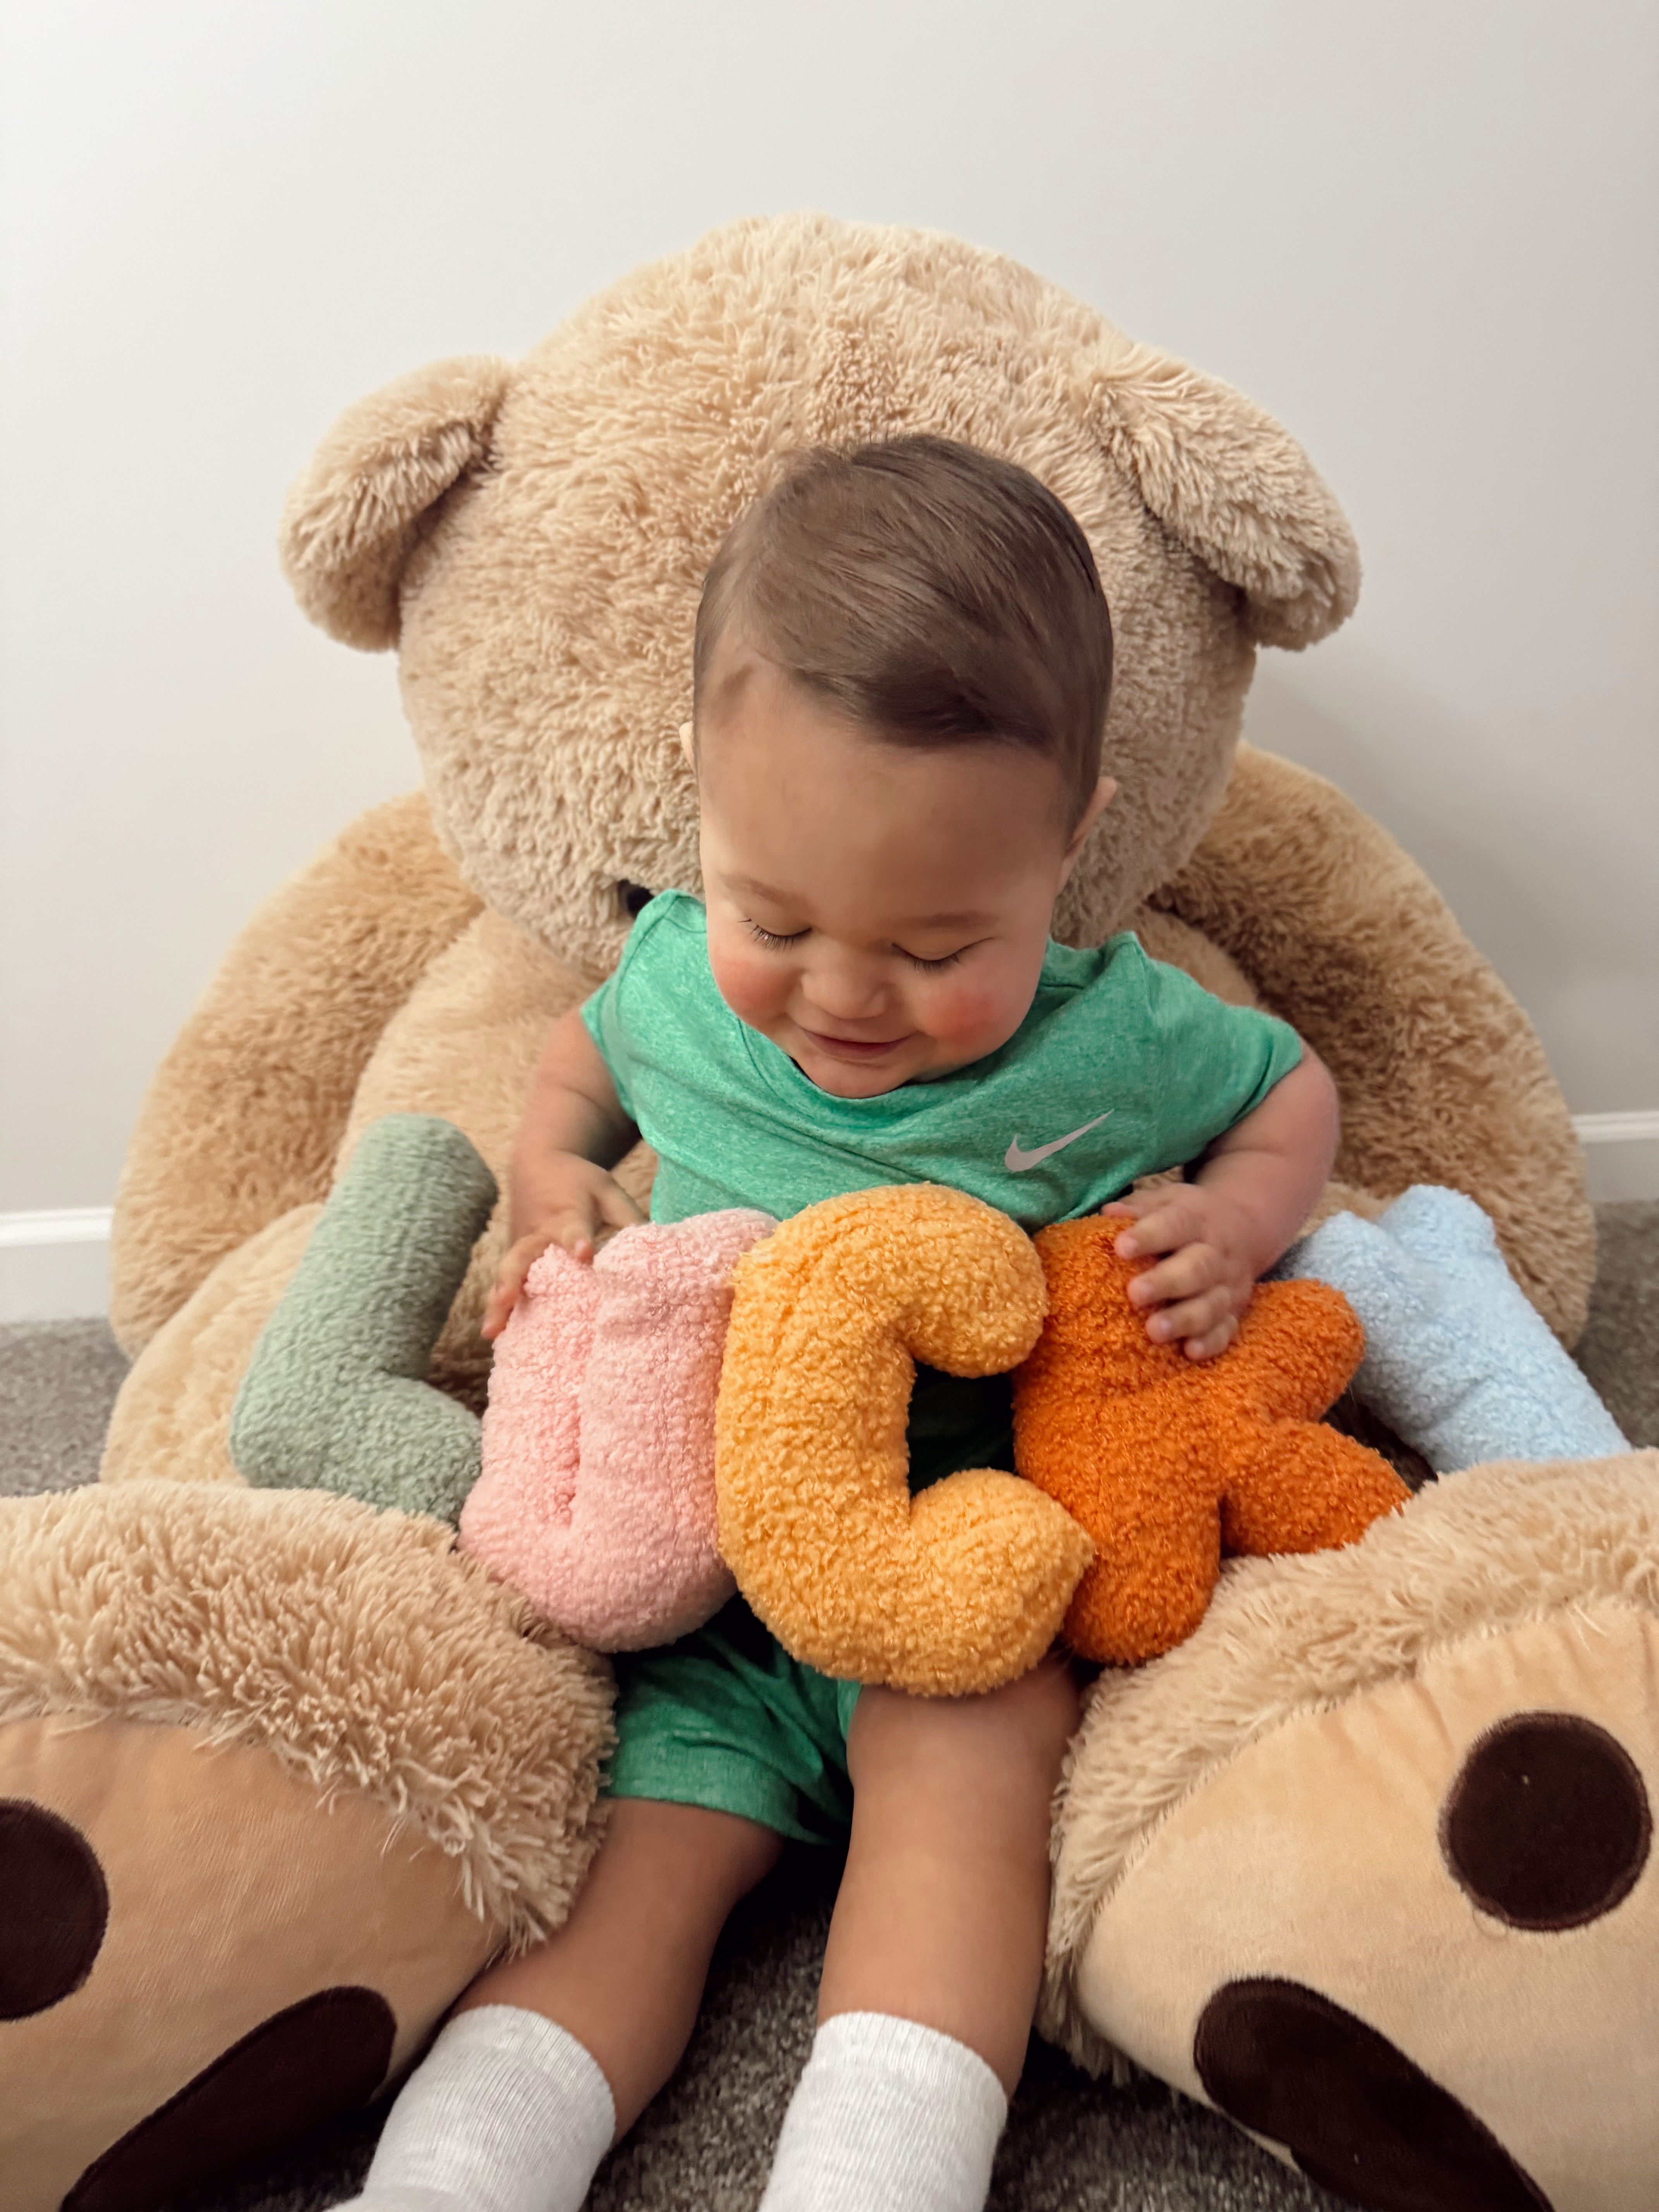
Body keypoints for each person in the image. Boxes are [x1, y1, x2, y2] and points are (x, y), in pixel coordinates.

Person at [347, 436, 1339, 2212]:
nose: (844, 997)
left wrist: (1238, 1218)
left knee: (964, 1826)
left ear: (1073, 844)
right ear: (702, 811)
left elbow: (1293, 1092)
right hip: (711, 1574)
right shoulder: (669, 982)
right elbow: (575, 1066)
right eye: (776, 916)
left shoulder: (1119, 1041)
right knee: (636, 1873)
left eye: (941, 940)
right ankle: (448, 2180)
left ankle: (877, 2175)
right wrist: (555, 1177)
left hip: (971, 1568)